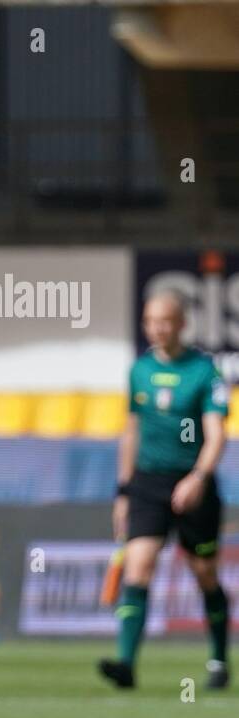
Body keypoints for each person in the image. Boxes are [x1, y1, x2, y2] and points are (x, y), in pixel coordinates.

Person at [100, 291, 230, 690]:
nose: (157, 328)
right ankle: (125, 663)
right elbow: (131, 432)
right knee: (138, 566)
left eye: (164, 320)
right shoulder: (138, 371)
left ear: (181, 324)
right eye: (150, 320)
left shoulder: (205, 372)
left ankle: (218, 660)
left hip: (193, 483)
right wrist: (123, 491)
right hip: (148, 483)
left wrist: (198, 478)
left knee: (204, 573)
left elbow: (216, 435)